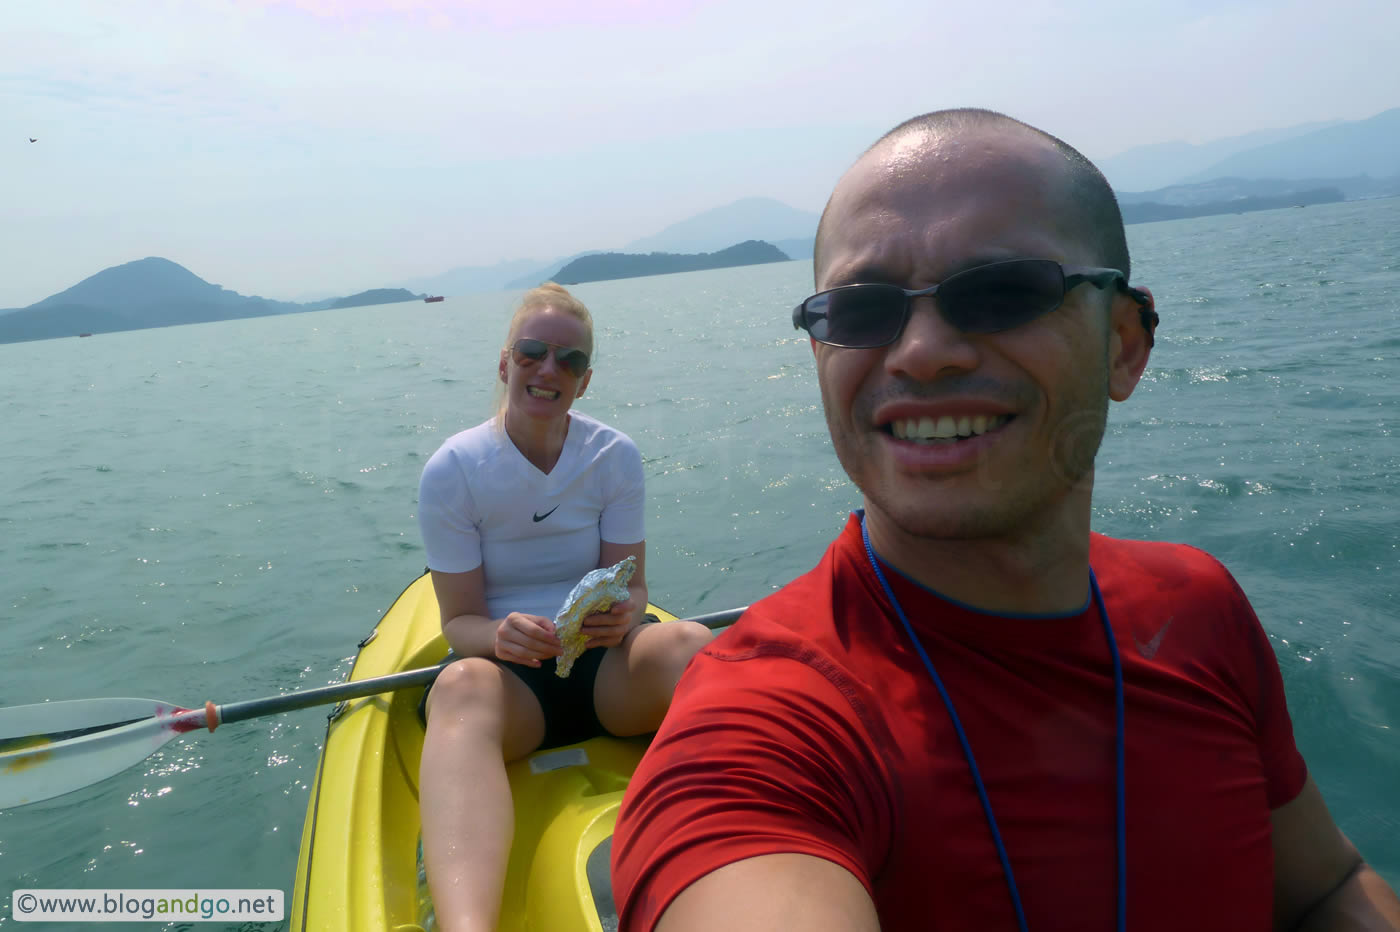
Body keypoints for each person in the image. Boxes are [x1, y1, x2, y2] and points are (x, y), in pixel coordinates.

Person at [611, 110, 1400, 931]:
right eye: (861, 310)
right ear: (821, 354)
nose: (919, 351)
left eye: (1002, 293)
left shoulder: (1198, 608)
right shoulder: (768, 721)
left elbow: (1325, 886)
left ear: (1124, 344)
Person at [416, 282, 713, 932]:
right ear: (505, 364)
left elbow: (633, 585)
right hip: (511, 682)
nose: (549, 370)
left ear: (584, 381)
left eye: (570, 361)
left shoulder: (614, 457)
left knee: (695, 647)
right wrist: (500, 634)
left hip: (607, 671)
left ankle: (749, 862)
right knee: (461, 686)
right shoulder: (454, 471)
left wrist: (627, 611)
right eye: (533, 352)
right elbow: (457, 623)